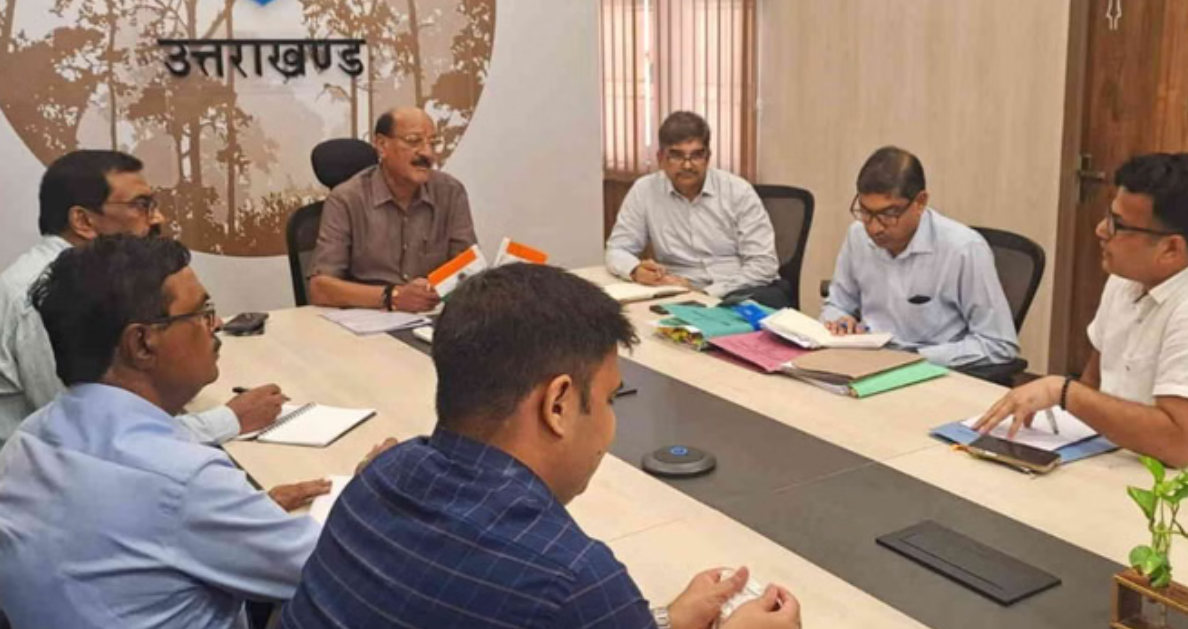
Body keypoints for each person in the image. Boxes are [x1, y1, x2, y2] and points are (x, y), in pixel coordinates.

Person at [281, 263, 802, 629]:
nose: (611, 423)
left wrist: (662, 620)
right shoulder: (568, 580)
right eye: (609, 399)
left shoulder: (381, 475)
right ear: (558, 404)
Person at [0, 235, 333, 629]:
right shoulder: (185, 481)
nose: (217, 325)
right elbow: (338, 571)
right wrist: (373, 491)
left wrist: (242, 517)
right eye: (202, 312)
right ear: (142, 343)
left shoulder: (26, 441)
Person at [0, 150, 283, 448]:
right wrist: (229, 419)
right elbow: (87, 433)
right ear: (83, 221)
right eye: (141, 205)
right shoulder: (42, 295)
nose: (158, 218)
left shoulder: (85, 278)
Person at [976, 153, 1188, 466]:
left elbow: (1180, 445)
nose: (1101, 230)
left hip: (1164, 481)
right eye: (1108, 216)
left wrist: (1064, 392)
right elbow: (1094, 382)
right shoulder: (1124, 279)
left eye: (1118, 225)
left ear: (1171, 248)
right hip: (1110, 455)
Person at [821, 146, 1019, 368]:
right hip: (866, 359)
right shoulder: (857, 235)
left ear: (920, 202)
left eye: (889, 214)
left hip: (931, 368)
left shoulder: (964, 249)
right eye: (866, 212)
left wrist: (916, 358)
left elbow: (999, 344)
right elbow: (837, 304)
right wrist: (839, 321)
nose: (875, 228)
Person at [605, 111, 785, 307]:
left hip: (739, 292)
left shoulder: (738, 191)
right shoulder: (645, 190)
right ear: (661, 158)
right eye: (677, 156)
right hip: (678, 292)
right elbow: (618, 248)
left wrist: (705, 293)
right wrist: (635, 270)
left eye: (697, 155)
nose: (687, 165)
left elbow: (763, 264)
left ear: (708, 157)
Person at [309, 107, 478, 312]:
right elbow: (320, 288)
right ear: (382, 145)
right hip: (368, 317)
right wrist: (393, 296)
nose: (427, 153)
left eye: (433, 142)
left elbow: (469, 270)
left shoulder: (450, 192)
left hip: (431, 317)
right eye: (414, 141)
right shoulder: (346, 199)